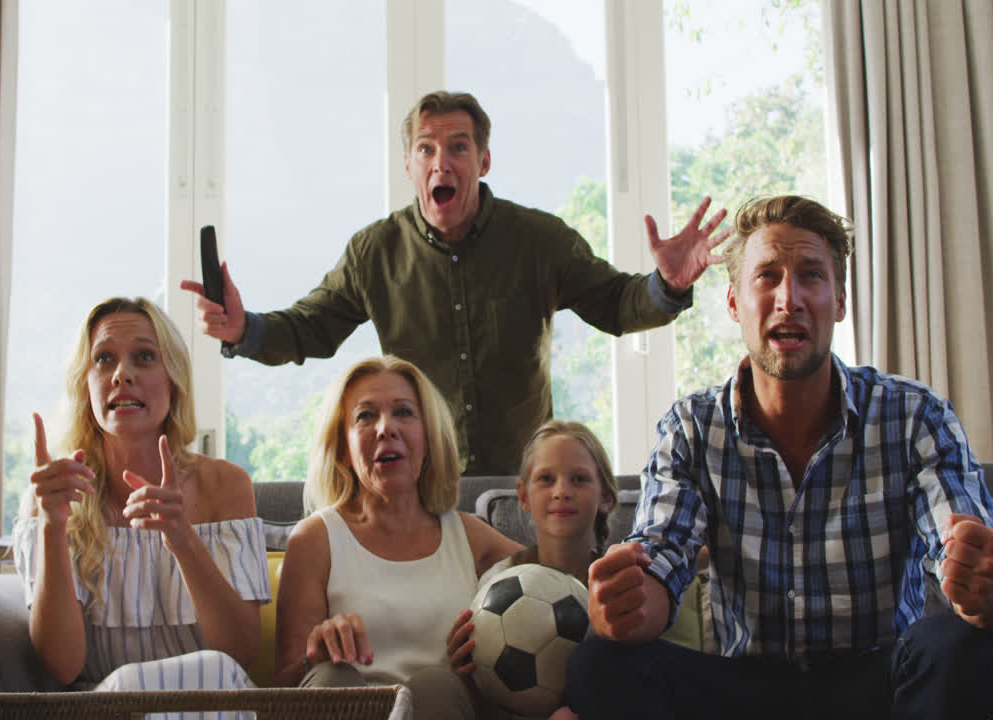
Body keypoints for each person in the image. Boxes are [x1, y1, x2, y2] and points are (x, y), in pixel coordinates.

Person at [567, 195, 993, 720]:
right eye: (767, 277)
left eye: (811, 275)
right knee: (599, 664)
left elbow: (979, 562)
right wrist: (627, 603)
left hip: (873, 686)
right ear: (735, 303)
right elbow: (662, 555)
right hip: (742, 691)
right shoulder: (691, 427)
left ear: (840, 301)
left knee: (961, 646)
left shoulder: (913, 415)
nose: (789, 299)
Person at [180, 90, 731, 475]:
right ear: (409, 166)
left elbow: (616, 304)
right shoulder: (374, 252)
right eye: (426, 148)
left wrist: (666, 285)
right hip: (421, 481)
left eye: (458, 147)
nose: (441, 161)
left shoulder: (539, 240)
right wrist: (242, 331)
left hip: (524, 480)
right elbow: (310, 329)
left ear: (483, 161)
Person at [11, 297, 268, 703]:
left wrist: (182, 540)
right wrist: (52, 526)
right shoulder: (51, 496)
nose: (122, 374)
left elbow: (241, 655)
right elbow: (62, 666)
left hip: (208, 704)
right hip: (105, 709)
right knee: (127, 688)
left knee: (213, 671)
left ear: (174, 380)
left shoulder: (226, 486)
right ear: (86, 385)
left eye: (144, 357)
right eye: (104, 359)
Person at [273, 355, 524, 718]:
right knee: (331, 679)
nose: (385, 429)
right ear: (343, 448)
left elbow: (557, 579)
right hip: (346, 709)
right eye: (365, 416)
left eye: (404, 412)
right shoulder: (314, 540)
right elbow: (282, 686)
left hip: (441, 707)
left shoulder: (469, 537)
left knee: (436, 685)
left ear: (429, 438)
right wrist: (316, 655)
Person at [445, 420, 618, 720]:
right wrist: (466, 677)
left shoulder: (619, 583)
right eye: (546, 479)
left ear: (606, 497)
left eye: (579, 479)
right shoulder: (495, 584)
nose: (562, 491)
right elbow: (487, 705)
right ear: (523, 496)